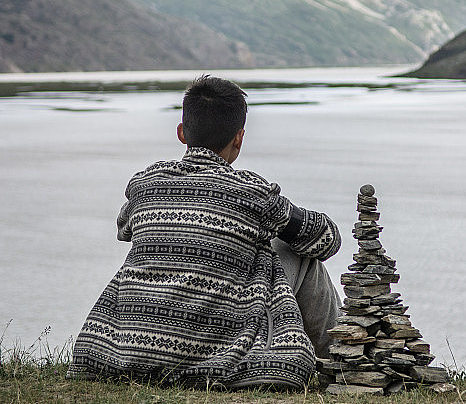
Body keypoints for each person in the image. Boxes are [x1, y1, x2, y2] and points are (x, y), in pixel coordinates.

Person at [66, 75, 342, 389]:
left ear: (182, 132)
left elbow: (124, 228)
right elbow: (327, 240)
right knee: (298, 248)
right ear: (239, 138)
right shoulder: (253, 193)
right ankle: (343, 363)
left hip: (123, 353)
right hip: (216, 357)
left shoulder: (146, 183)